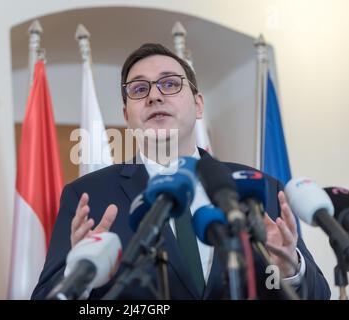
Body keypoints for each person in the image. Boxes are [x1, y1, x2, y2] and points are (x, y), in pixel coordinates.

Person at [31, 43, 330, 300]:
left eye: (170, 84)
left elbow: (318, 295)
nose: (154, 96)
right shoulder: (88, 196)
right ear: (126, 116)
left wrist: (290, 269)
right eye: (139, 89)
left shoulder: (259, 187)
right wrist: (78, 272)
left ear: (198, 104)